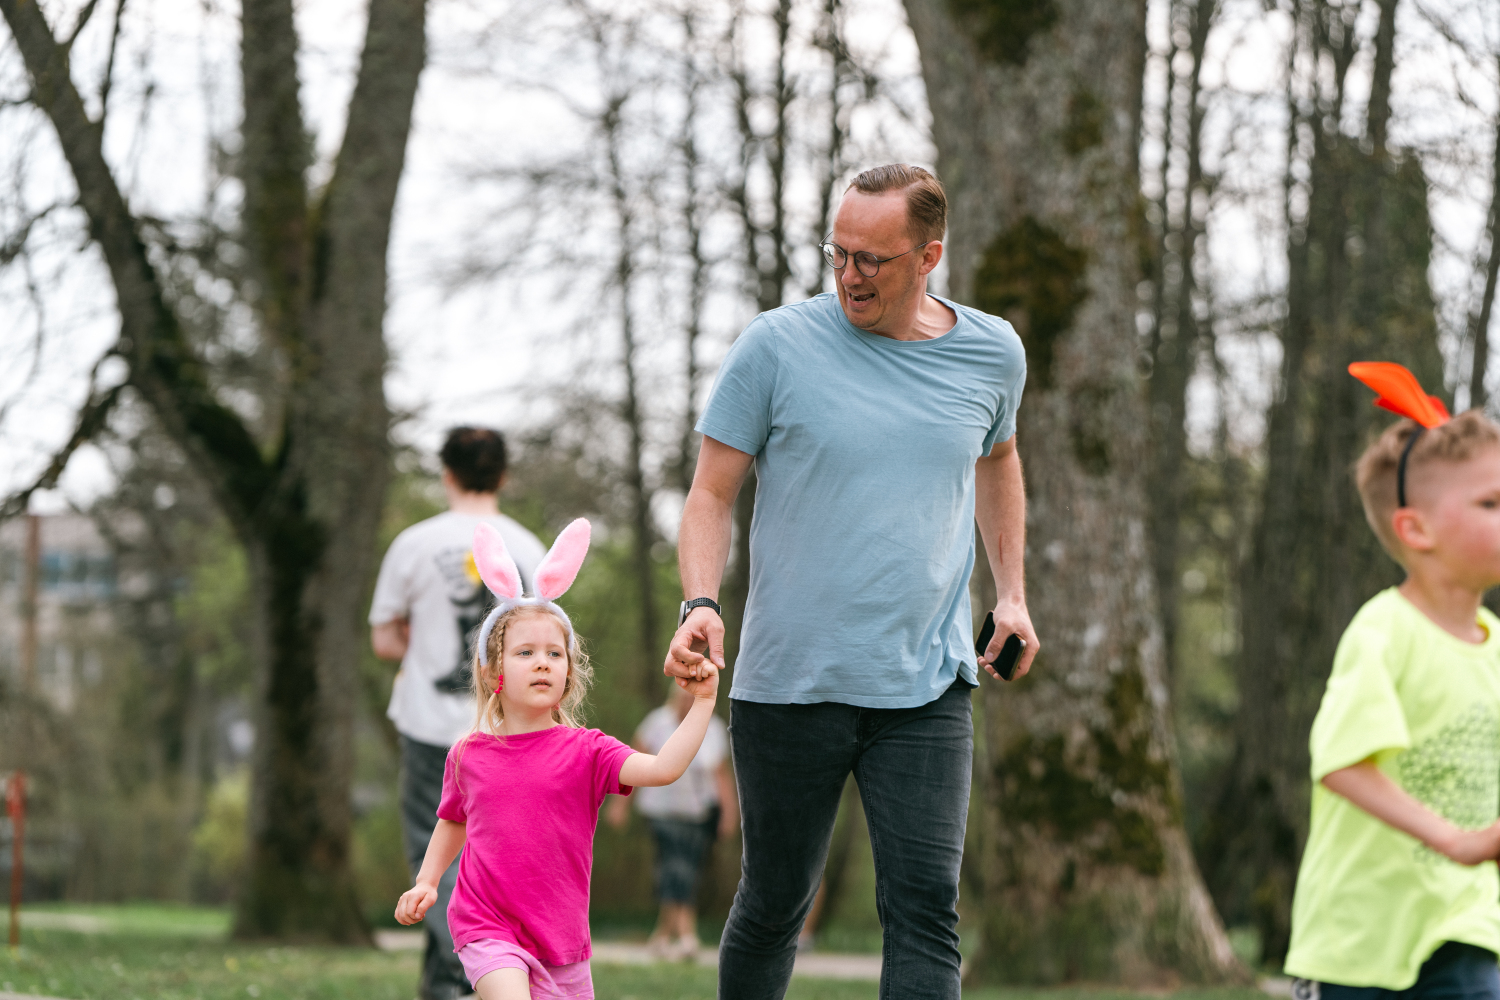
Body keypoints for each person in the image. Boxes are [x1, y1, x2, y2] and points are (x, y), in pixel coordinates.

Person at [665, 163, 1037, 1000]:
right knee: (774, 902)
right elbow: (710, 494)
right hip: (790, 683)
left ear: (928, 256)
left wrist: (1010, 593)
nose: (849, 275)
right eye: (838, 253)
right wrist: (700, 604)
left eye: (872, 258)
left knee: (926, 909)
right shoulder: (775, 346)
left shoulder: (992, 352)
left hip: (927, 683)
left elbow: (1000, 458)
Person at [395, 519, 720, 1000]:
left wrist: (703, 703)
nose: (543, 662)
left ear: (569, 673)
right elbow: (453, 820)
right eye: (525, 652)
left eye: (554, 653)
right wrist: (427, 881)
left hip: (561, 939)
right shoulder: (468, 755)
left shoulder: (588, 751)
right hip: (486, 926)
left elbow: (662, 769)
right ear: (493, 670)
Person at [1283, 362, 1500, 999]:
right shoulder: (1384, 631)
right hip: (1358, 943)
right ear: (1415, 529)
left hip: (1464, 923)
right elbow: (1342, 764)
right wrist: (1455, 840)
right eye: (1491, 503)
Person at [370, 426, 546, 1000]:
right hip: (504, 729)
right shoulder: (529, 549)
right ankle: (453, 980)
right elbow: (544, 644)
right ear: (503, 476)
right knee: (499, 859)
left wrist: (415, 636)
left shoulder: (413, 544)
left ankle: (463, 981)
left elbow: (384, 641)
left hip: (429, 726)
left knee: (435, 855)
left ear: (446, 473)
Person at [605, 686, 738, 960]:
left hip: (697, 813)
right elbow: (631, 762)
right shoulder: (656, 723)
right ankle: (688, 935)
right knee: (675, 865)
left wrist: (729, 813)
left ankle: (662, 935)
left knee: (684, 868)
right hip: (660, 810)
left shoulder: (712, 728)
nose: (687, 703)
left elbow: (721, 774)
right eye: (683, 698)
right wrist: (620, 805)